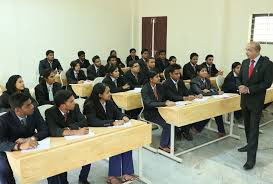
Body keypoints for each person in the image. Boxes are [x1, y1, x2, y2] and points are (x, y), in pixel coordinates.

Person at [83, 83, 137, 184]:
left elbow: (117, 112)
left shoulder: (109, 102)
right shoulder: (90, 105)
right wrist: (112, 122)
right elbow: (92, 121)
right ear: (100, 95)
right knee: (115, 146)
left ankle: (127, 173)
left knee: (128, 144)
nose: (110, 94)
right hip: (97, 134)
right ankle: (113, 176)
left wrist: (123, 116)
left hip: (110, 132)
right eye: (107, 92)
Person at [237, 42, 273, 170]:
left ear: (257, 51)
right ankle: (249, 144)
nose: (247, 52)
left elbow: (267, 83)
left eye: (249, 50)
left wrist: (249, 89)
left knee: (253, 129)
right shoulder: (245, 62)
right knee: (247, 126)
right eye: (246, 49)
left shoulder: (267, 64)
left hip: (256, 101)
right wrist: (240, 85)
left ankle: (251, 159)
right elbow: (239, 78)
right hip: (245, 101)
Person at [0, 92, 49, 184]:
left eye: (31, 103)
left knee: (52, 157)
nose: (32, 106)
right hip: (8, 149)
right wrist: (19, 146)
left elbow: (44, 130)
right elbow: (1, 142)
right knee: (4, 170)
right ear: (18, 110)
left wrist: (32, 139)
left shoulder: (34, 112)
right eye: (28, 105)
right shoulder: (3, 120)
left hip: (30, 144)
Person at [45, 90, 91, 184]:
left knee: (88, 153)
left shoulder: (76, 107)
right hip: (59, 144)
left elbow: (84, 122)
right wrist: (76, 131)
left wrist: (68, 129)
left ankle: (83, 179)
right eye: (71, 101)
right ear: (62, 105)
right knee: (60, 162)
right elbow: (54, 131)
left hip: (75, 140)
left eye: (74, 100)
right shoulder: (50, 112)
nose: (74, 103)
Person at [141, 70, 175, 153]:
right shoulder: (145, 89)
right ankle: (162, 146)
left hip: (161, 110)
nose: (159, 78)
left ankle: (169, 144)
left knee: (173, 120)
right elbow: (149, 103)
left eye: (159, 76)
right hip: (150, 113)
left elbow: (164, 97)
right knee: (168, 124)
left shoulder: (159, 86)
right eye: (157, 77)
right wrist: (164, 103)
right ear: (151, 79)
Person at [190, 65, 226, 137]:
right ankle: (196, 127)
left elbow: (214, 88)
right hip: (196, 102)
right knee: (211, 110)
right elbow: (200, 93)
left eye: (205, 71)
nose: (205, 72)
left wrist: (209, 90)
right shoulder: (194, 81)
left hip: (206, 100)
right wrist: (213, 92)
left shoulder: (207, 80)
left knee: (217, 109)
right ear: (198, 72)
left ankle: (221, 131)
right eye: (202, 71)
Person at [163, 64, 196, 141]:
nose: (178, 75)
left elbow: (185, 91)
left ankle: (185, 131)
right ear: (170, 74)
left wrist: (192, 95)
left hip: (181, 103)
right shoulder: (166, 83)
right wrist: (184, 98)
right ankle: (177, 130)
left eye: (179, 73)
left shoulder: (180, 82)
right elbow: (171, 96)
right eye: (176, 74)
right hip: (171, 105)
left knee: (190, 111)